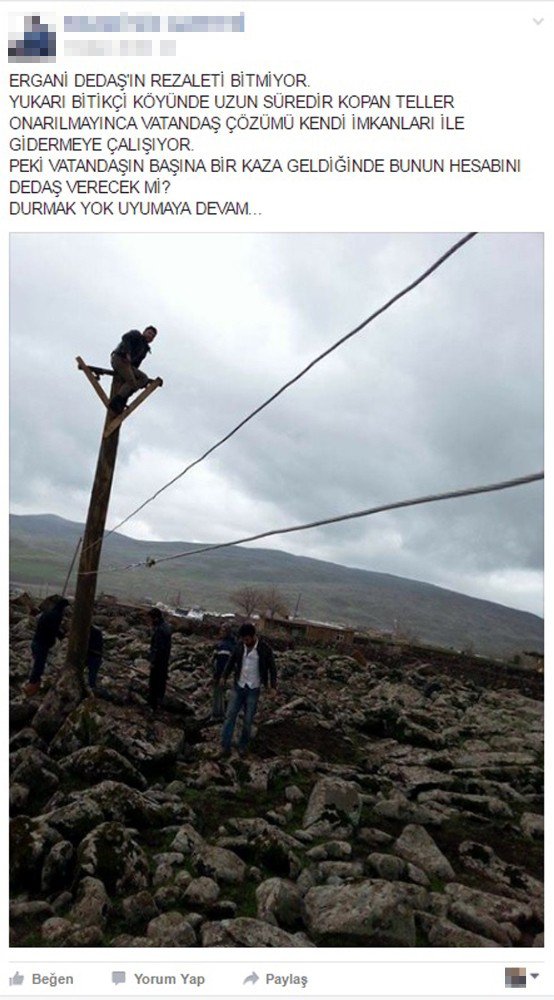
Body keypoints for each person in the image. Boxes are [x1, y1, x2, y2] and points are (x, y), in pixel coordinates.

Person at [218, 622, 277, 757]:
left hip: (253, 689)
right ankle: (224, 746)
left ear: (253, 636)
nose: (245, 642)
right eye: (243, 639)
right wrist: (224, 676)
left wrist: (272, 687)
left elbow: (272, 669)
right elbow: (231, 662)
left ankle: (242, 746)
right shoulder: (239, 646)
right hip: (239, 686)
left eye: (247, 639)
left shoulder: (265, 649)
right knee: (229, 716)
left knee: (248, 720)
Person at [23, 597, 70, 696]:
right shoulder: (57, 615)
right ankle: (31, 688)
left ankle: (33, 686)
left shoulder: (48, 613)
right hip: (42, 644)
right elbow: (54, 630)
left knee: (37, 665)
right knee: (38, 667)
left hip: (36, 641)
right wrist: (62, 636)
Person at [109, 325, 157, 415]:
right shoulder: (136, 334)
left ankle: (122, 398)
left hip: (129, 366)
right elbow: (125, 337)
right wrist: (127, 353)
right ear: (144, 332)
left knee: (143, 378)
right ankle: (116, 402)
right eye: (149, 333)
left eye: (153, 336)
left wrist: (134, 375)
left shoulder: (145, 349)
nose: (150, 336)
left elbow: (137, 364)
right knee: (132, 383)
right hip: (119, 359)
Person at [147, 607, 172, 711]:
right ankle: (158, 703)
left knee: (154, 683)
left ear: (155, 618)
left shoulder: (159, 630)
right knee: (161, 682)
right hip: (164, 661)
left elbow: (157, 648)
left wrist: (152, 661)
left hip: (158, 661)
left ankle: (153, 706)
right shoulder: (166, 627)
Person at [211, 624, 236, 720]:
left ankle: (217, 714)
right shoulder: (232, 644)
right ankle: (221, 713)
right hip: (228, 674)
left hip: (221, 674)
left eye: (222, 631)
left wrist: (218, 675)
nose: (220, 632)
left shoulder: (224, 646)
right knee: (221, 693)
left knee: (217, 693)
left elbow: (221, 663)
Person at [87, 623, 104, 691]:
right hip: (94, 655)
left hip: (93, 655)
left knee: (92, 672)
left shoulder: (93, 632)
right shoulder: (97, 632)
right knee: (93, 672)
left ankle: (92, 687)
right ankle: (92, 686)